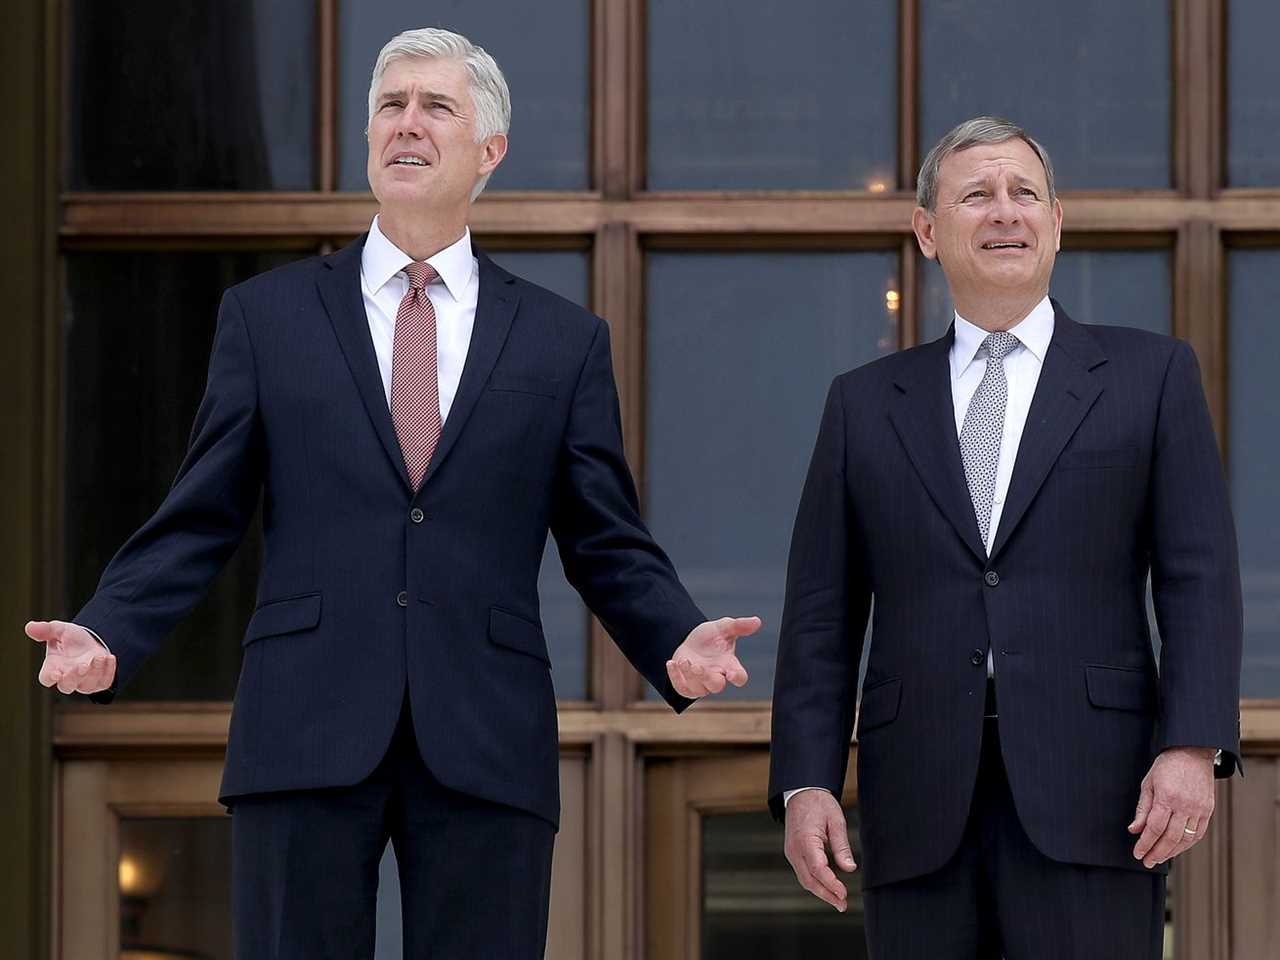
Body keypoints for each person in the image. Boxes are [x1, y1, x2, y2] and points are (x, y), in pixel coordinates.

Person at [27, 27, 758, 959]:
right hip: (302, 727)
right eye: (390, 105)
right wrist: (111, 627)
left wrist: (672, 635)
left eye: (436, 106)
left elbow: (602, 536)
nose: (406, 124)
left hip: (486, 737)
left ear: (489, 150)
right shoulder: (268, 316)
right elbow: (202, 511)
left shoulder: (560, 341)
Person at [769, 116, 1242, 959]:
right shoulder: (864, 402)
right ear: (927, 231)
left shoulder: (1151, 375)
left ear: (1056, 223)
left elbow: (1198, 576)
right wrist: (806, 780)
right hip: (916, 794)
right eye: (976, 195)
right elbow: (821, 615)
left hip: (1098, 790)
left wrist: (1192, 742)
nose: (1004, 213)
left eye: (1025, 193)